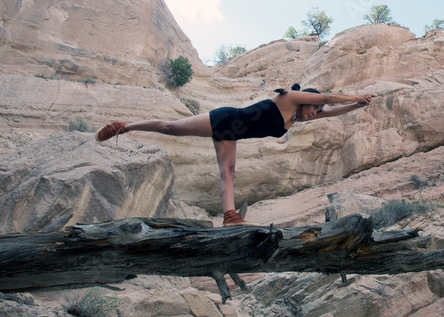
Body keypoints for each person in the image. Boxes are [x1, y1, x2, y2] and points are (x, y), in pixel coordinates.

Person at [96, 85, 376, 225]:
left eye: (316, 112)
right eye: (313, 108)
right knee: (172, 128)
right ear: (305, 100)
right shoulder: (289, 98)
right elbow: (326, 98)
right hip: (227, 118)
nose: (315, 113)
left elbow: (330, 110)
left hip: (232, 135)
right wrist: (356, 95)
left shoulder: (294, 119)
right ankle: (124, 126)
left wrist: (357, 106)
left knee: (228, 172)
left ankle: (230, 216)